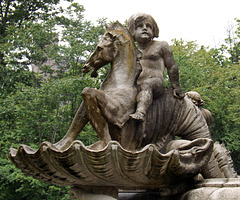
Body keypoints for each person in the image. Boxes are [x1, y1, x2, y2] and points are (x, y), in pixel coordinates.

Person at [127, 13, 185, 121]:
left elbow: (171, 66)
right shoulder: (130, 49)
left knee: (147, 84)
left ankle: (140, 112)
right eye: (140, 26)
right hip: (135, 84)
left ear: (154, 30)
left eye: (148, 26)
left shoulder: (161, 46)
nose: (145, 28)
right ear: (132, 31)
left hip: (155, 83)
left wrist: (176, 86)